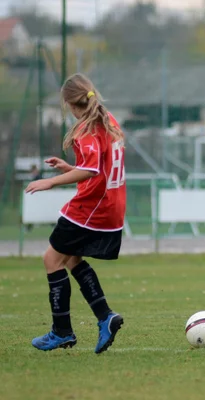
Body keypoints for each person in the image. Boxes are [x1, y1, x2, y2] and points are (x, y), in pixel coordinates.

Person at [25, 73, 127, 353]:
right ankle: (105, 316)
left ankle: (62, 331)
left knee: (51, 258)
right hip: (111, 207)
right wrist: (70, 169)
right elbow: (101, 169)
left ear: (70, 104)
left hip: (92, 207)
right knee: (70, 259)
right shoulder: (109, 121)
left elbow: (92, 170)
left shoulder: (87, 129)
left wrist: (50, 181)